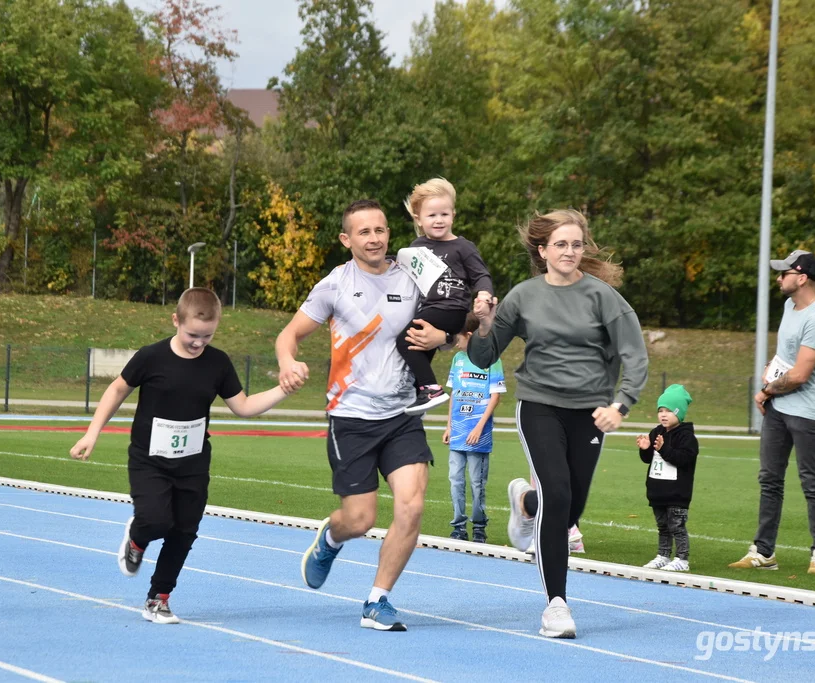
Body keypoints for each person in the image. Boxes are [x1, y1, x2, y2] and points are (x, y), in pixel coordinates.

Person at [468, 208, 648, 639]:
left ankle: (527, 505)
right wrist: (485, 323)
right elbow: (482, 356)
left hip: (590, 412)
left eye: (577, 244)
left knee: (569, 508)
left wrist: (620, 406)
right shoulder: (524, 296)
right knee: (560, 493)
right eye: (561, 244)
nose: (570, 251)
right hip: (540, 405)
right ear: (543, 250)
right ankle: (556, 605)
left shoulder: (603, 297)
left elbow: (635, 356)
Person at [69, 288, 294, 624]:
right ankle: (138, 537)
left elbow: (243, 407)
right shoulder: (151, 357)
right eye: (192, 335)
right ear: (176, 320)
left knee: (185, 530)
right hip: (150, 459)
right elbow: (117, 389)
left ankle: (158, 599)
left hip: (193, 462)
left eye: (207, 336)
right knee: (157, 520)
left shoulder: (218, 363)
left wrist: (283, 389)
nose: (198, 343)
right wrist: (92, 432)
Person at [275, 199, 433, 632]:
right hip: (352, 417)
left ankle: (377, 600)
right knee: (361, 520)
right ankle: (330, 538)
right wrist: (288, 362)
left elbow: (447, 328)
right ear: (347, 239)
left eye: (380, 230)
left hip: (402, 413)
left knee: (412, 506)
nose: (375, 238)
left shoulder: (411, 277)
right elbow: (289, 335)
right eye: (363, 232)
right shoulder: (335, 285)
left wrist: (452, 331)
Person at [729, 250, 815, 575]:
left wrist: (766, 389)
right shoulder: (790, 307)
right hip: (780, 408)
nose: (778, 278)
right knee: (770, 480)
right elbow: (785, 358)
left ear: (801, 278)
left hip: (808, 411)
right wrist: (771, 374)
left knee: (811, 482)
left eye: (784, 273)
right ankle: (764, 552)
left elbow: (801, 374)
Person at [396, 178, 493, 415]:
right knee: (420, 348)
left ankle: (431, 389)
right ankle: (421, 391)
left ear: (453, 215)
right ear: (418, 218)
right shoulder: (416, 246)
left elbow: (481, 275)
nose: (439, 220)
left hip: (450, 309)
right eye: (432, 215)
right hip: (428, 309)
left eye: (444, 214)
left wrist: (484, 294)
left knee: (404, 340)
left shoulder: (463, 247)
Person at [443, 312, 506, 543]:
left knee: (477, 483)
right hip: (458, 430)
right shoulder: (458, 359)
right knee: (455, 480)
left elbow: (495, 397)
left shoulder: (492, 360)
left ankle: (479, 526)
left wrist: (479, 427)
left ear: (469, 335)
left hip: (478, 433)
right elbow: (454, 394)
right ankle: (458, 526)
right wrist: (449, 425)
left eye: (458, 338)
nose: (456, 342)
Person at [637, 384, 699, 572]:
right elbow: (648, 460)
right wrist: (645, 448)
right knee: (663, 527)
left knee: (677, 526)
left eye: (669, 411)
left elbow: (683, 459)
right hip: (658, 491)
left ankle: (682, 559)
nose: (663, 414)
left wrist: (663, 449)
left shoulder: (687, 437)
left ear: (679, 413)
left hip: (677, 493)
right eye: (661, 410)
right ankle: (663, 555)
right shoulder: (657, 432)